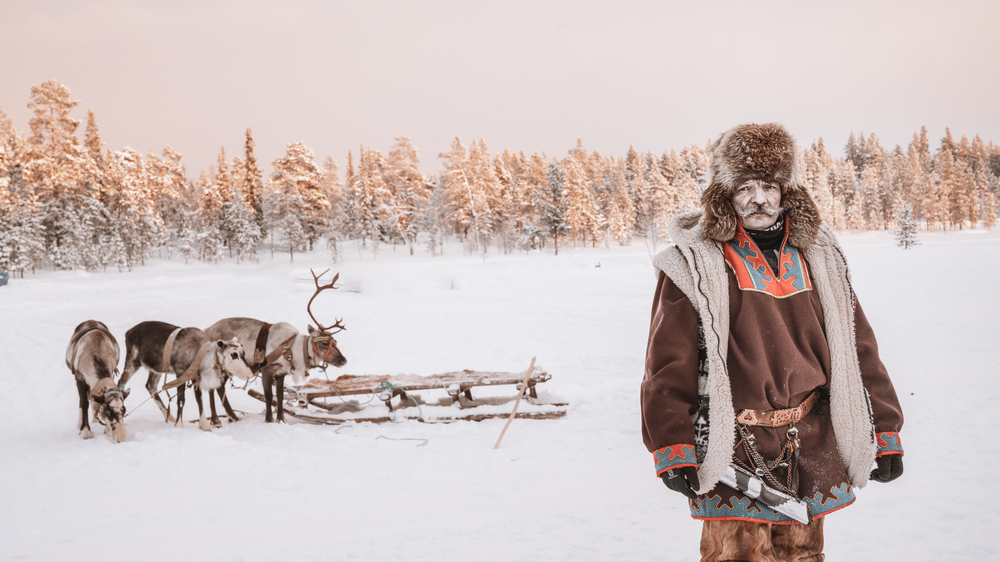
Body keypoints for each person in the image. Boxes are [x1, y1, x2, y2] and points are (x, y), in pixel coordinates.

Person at [641, 123, 904, 562]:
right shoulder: (692, 264)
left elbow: (858, 350)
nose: (758, 198)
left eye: (769, 185)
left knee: (803, 557)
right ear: (725, 193)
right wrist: (672, 444)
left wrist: (887, 430)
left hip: (811, 440)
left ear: (787, 192)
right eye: (744, 186)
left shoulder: (821, 258)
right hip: (734, 446)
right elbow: (668, 363)